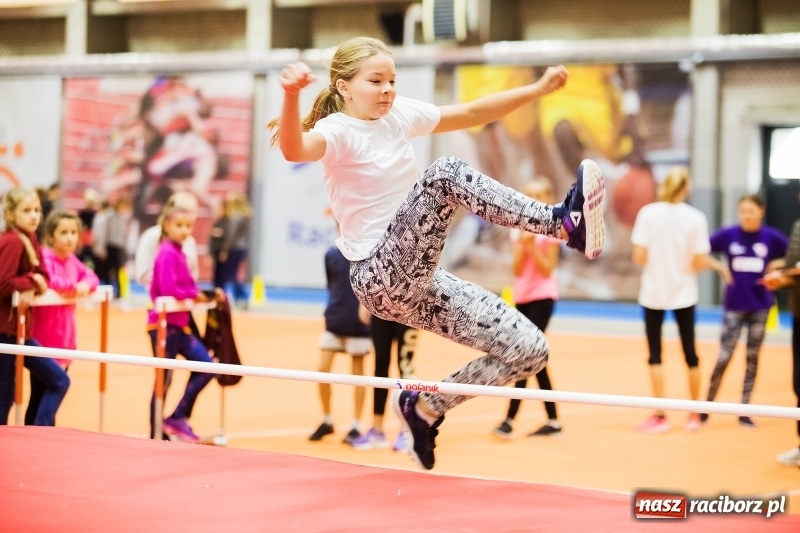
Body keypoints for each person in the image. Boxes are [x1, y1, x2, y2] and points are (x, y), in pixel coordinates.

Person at [269, 36, 605, 470]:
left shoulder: (398, 115)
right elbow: (295, 148)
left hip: (420, 279)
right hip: (378, 274)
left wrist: (537, 91)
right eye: (376, 81)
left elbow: (471, 113)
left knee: (530, 349)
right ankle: (560, 223)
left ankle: (426, 409)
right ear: (344, 87)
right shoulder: (338, 131)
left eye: (392, 80)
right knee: (444, 173)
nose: (388, 89)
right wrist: (291, 95)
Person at [631, 166, 725, 433]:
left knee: (655, 355)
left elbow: (638, 257)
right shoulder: (695, 218)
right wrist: (716, 266)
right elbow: (697, 261)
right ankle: (695, 414)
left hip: (653, 293)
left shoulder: (647, 214)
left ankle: (660, 415)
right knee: (691, 354)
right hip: (684, 293)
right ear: (686, 188)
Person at [701, 194, 787, 428]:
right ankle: (705, 408)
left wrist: (777, 266)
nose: (747, 216)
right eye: (743, 211)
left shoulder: (772, 238)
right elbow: (700, 250)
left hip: (760, 306)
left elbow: (791, 257)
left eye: (751, 211)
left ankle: (744, 411)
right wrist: (719, 268)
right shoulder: (728, 235)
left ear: (761, 211)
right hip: (734, 305)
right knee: (724, 356)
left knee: (752, 358)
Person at [492, 177, 563, 439]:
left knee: (526, 353)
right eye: (531, 193)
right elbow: (517, 269)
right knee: (534, 357)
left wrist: (534, 244)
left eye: (540, 193)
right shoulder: (518, 226)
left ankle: (509, 419)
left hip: (544, 296)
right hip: (522, 296)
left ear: (548, 196)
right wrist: (524, 243)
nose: (535, 197)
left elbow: (547, 268)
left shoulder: (553, 228)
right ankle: (554, 421)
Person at [147, 202, 221, 443]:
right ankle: (155, 433)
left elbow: (188, 285)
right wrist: (192, 293)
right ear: (167, 226)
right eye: (179, 225)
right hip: (163, 326)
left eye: (188, 226)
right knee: (164, 379)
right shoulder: (166, 252)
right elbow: (170, 289)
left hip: (180, 324)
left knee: (206, 366)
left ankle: (177, 417)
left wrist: (199, 294)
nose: (184, 230)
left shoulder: (179, 251)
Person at [0, 188, 70, 426]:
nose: (34, 216)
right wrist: (32, 282)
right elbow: (4, 283)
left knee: (58, 379)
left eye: (37, 210)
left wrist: (35, 283)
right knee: (5, 395)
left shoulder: (30, 238)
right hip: (5, 332)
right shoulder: (11, 241)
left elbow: (44, 275)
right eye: (27, 210)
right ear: (11, 214)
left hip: (20, 332)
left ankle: (39, 433)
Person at [27, 210, 100, 424]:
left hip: (64, 340)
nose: (70, 237)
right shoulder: (45, 257)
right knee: (45, 390)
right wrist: (75, 287)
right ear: (51, 236)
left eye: (73, 232)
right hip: (43, 340)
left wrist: (85, 285)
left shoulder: (73, 260)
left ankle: (41, 432)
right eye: (63, 232)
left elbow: (91, 276)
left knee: (46, 395)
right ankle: (38, 433)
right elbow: (51, 280)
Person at [309, 244, 371, 444]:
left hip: (359, 325)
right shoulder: (331, 255)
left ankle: (355, 425)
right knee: (322, 370)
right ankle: (327, 420)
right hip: (334, 321)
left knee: (358, 375)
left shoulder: (367, 253)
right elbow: (331, 285)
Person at [349, 308, 419, 451]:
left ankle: (406, 431)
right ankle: (377, 430)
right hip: (382, 305)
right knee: (380, 365)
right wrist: (364, 303)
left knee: (405, 366)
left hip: (410, 306)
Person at [762, 211, 800, 467]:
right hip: (799, 315)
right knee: (799, 384)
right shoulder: (797, 226)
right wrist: (782, 279)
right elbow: (792, 268)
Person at [134, 191, 200, 289]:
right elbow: (142, 274)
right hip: (161, 301)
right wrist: (169, 280)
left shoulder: (190, 241)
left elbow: (194, 274)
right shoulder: (151, 237)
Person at [211, 192, 251, 308]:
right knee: (233, 274)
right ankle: (241, 297)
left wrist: (225, 249)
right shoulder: (245, 216)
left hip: (234, 248)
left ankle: (242, 296)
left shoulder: (235, 217)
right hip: (242, 248)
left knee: (231, 275)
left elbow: (231, 236)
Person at [92, 195, 133, 298]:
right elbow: (103, 232)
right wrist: (101, 248)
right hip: (109, 246)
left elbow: (123, 235)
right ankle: (107, 289)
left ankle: (118, 291)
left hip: (118, 247)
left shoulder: (123, 217)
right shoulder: (109, 215)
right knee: (106, 270)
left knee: (118, 269)